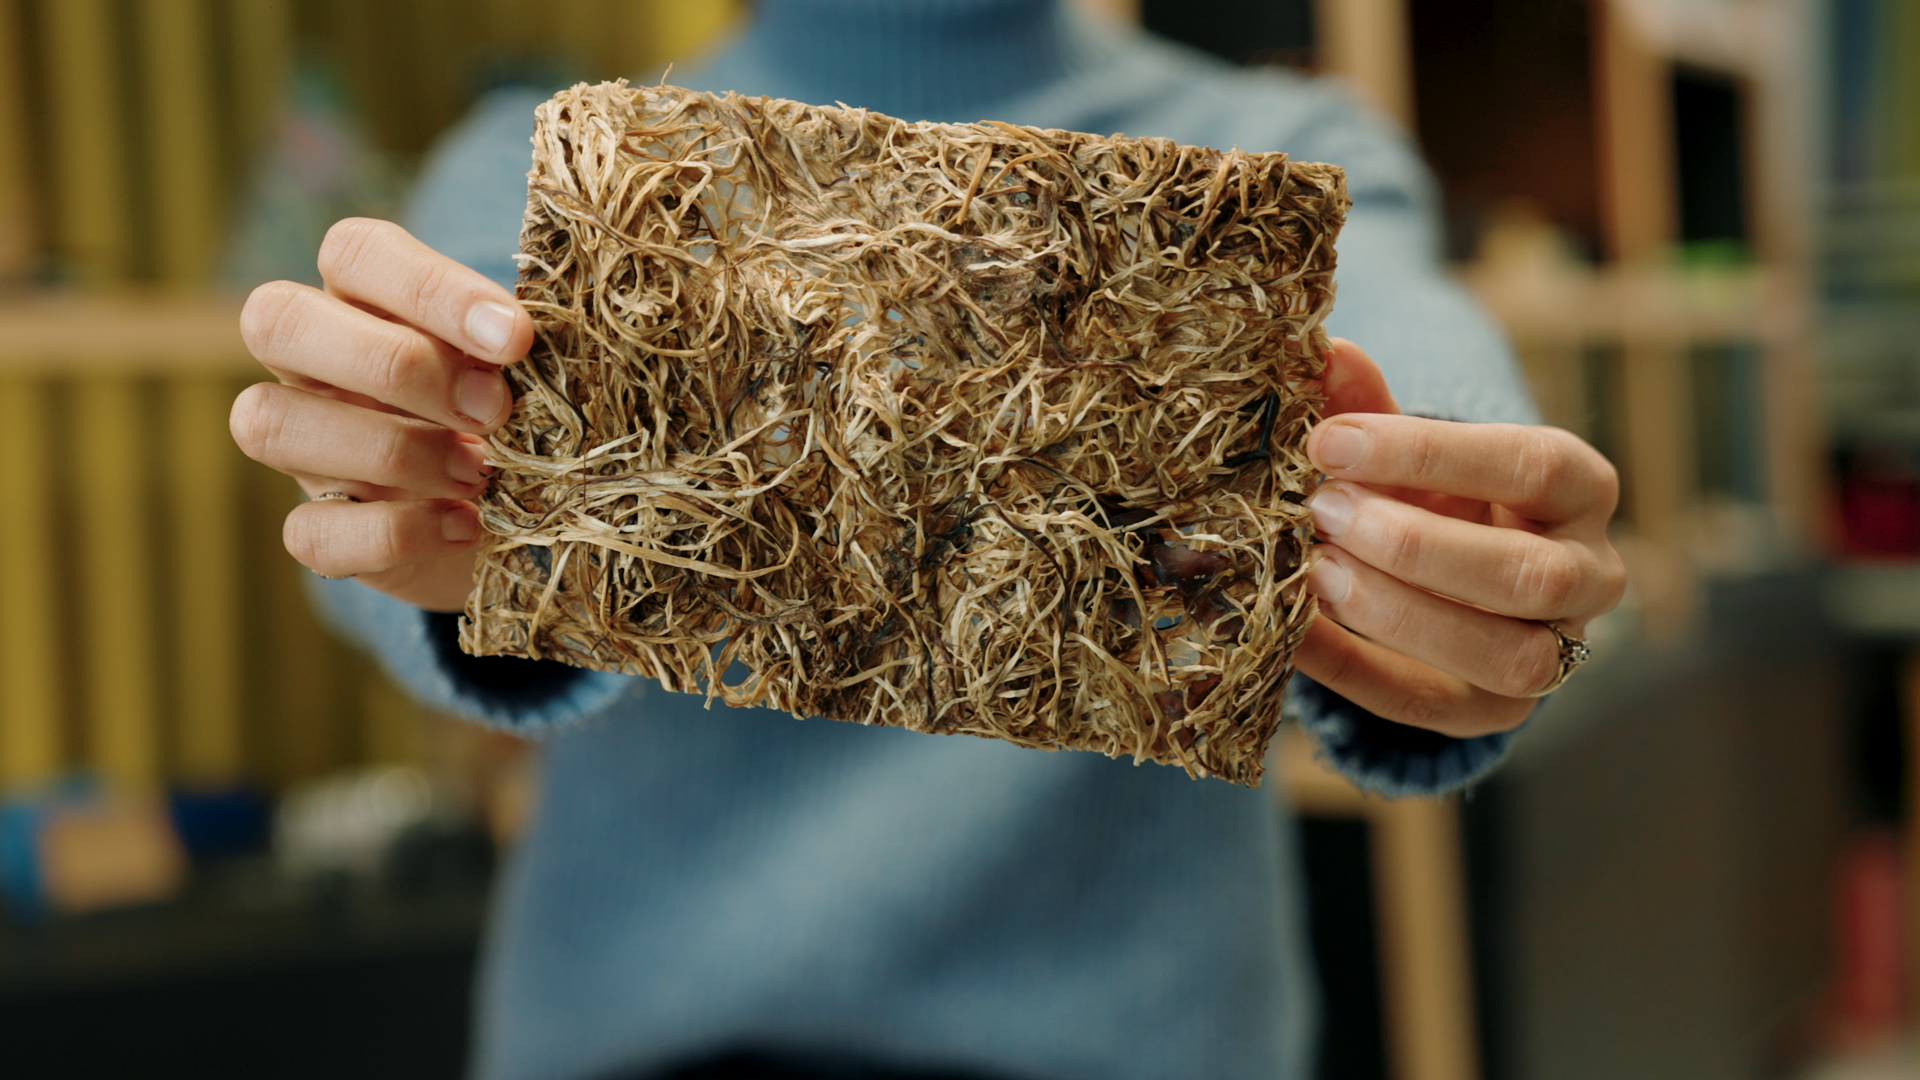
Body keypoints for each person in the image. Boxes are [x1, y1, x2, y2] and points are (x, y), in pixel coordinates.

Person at [229, 2, 1625, 1077]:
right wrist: (424, 512)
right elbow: (406, 476)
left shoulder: (1280, 147)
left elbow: (1398, 339)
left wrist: (1456, 515)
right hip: (651, 1040)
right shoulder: (543, 164)